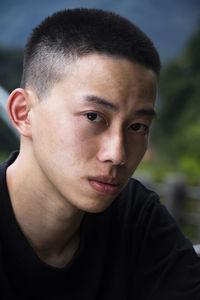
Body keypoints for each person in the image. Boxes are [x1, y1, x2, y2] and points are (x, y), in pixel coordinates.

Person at [0, 8, 199, 299]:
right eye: (93, 116)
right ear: (23, 113)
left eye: (137, 126)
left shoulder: (134, 215)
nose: (117, 154)